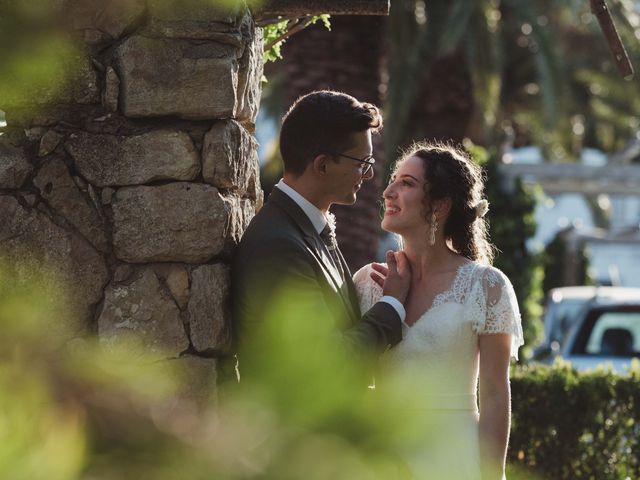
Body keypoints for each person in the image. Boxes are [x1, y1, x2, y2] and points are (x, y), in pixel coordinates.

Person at [354, 142, 524, 479]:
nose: (388, 191)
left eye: (407, 183)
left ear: (440, 206)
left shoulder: (488, 286)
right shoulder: (368, 282)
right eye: (393, 180)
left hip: (455, 460)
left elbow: (493, 392)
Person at [232, 90, 411, 383]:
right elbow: (323, 362)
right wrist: (391, 306)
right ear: (323, 165)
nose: (367, 175)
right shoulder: (279, 246)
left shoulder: (305, 228)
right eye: (361, 162)